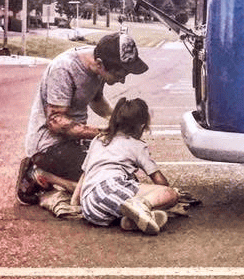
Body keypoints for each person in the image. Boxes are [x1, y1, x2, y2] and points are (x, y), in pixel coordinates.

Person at [17, 31, 148, 205]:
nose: (122, 81)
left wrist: (116, 120)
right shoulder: (63, 69)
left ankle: (57, 178)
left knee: (120, 171)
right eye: (119, 75)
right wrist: (105, 132)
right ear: (100, 64)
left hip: (73, 141)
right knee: (102, 184)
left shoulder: (100, 60)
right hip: (49, 145)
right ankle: (39, 174)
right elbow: (56, 123)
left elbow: (96, 98)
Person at [76, 97, 178, 235]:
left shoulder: (98, 139)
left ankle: (131, 221)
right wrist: (170, 192)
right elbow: (159, 181)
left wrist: (74, 202)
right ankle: (141, 205)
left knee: (126, 202)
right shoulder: (136, 145)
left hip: (90, 208)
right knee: (168, 194)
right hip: (111, 188)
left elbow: (85, 174)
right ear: (142, 126)